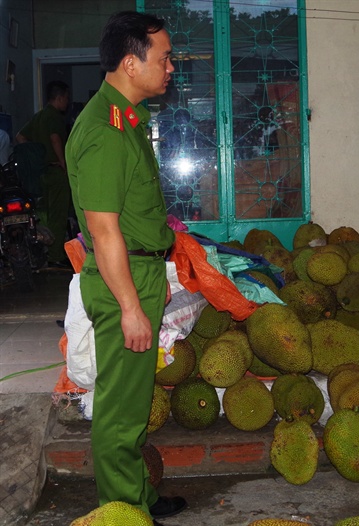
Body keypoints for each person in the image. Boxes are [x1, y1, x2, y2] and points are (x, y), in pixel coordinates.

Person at [65, 11, 186, 524]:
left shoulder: (127, 120)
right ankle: (121, 512)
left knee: (134, 404)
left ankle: (138, 496)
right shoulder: (107, 130)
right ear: (132, 63)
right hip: (125, 281)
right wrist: (130, 307)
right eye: (165, 58)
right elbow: (104, 229)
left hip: (139, 273)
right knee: (119, 413)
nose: (172, 68)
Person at [16, 80, 72, 268]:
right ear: (60, 97)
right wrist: (64, 164)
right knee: (58, 214)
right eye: (66, 98)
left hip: (40, 173)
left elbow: (20, 137)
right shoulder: (54, 117)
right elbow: (55, 139)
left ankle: (43, 253)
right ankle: (55, 256)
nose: (67, 102)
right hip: (56, 172)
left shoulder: (39, 116)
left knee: (43, 214)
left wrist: (34, 158)